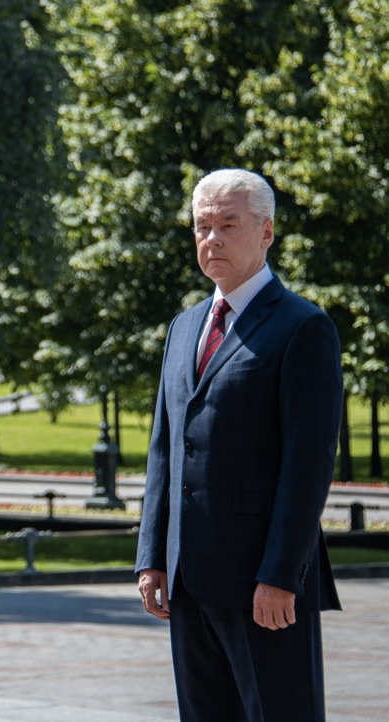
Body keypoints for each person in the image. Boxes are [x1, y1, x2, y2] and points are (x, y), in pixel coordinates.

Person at [136, 168, 342, 721]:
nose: (212, 240)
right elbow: (164, 451)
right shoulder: (184, 328)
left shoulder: (303, 328)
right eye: (202, 227)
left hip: (263, 588)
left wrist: (280, 575)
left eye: (228, 225)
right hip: (187, 581)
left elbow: (308, 466)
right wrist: (152, 556)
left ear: (267, 232)